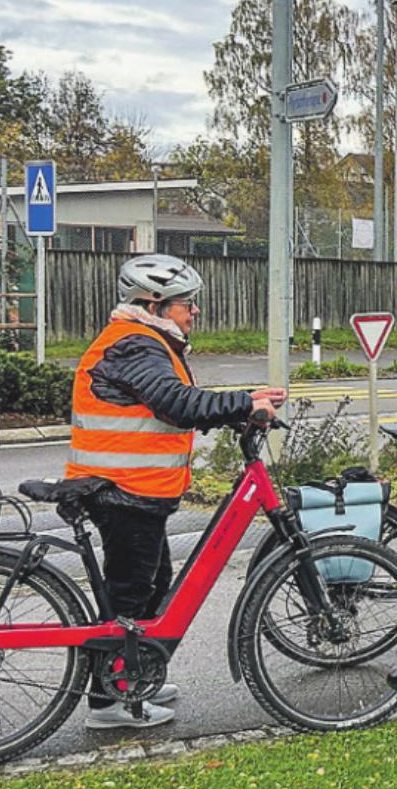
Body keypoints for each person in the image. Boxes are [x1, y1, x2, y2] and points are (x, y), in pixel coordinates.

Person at [65, 253, 284, 729]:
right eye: (187, 303)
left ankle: (134, 670)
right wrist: (243, 401)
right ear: (155, 305)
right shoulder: (135, 346)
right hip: (121, 489)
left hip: (133, 491)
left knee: (152, 582)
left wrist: (237, 410)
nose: (195, 311)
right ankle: (110, 700)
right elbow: (174, 403)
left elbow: (169, 407)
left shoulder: (145, 342)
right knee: (130, 591)